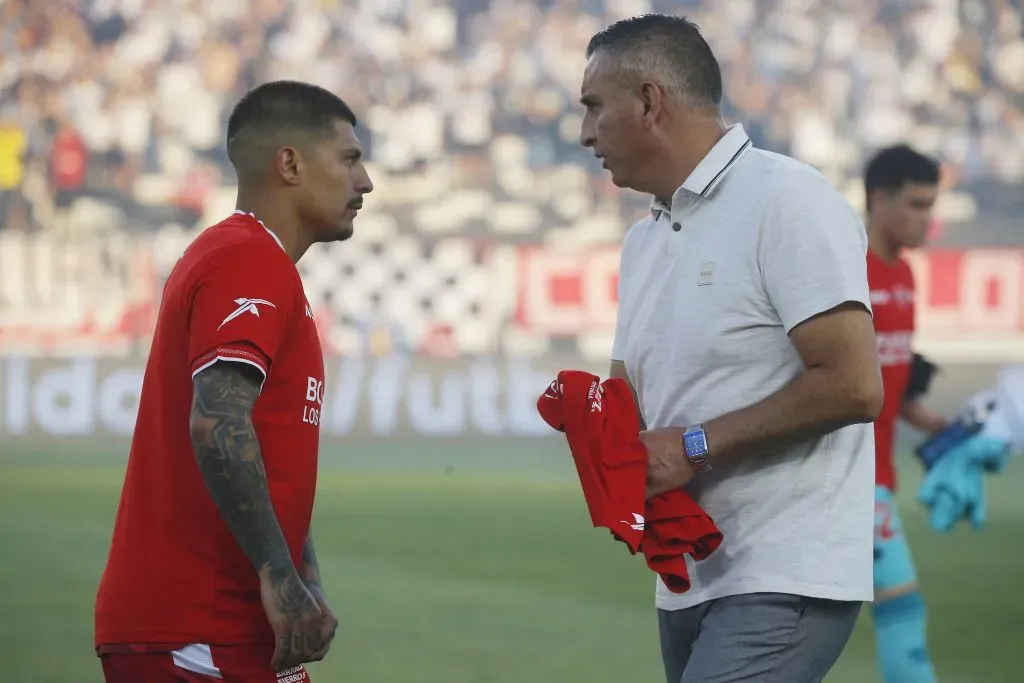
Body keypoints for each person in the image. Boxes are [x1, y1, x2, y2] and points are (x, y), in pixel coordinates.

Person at [579, 14, 883, 683]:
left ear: (651, 101)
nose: (584, 133)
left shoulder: (788, 198)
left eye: (595, 107)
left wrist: (690, 446)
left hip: (785, 566)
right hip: (689, 573)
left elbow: (855, 384)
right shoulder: (645, 239)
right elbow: (629, 399)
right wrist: (598, 430)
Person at [94, 80, 374, 683]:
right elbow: (218, 419)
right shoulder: (245, 258)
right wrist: (279, 575)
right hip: (196, 629)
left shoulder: (252, 259)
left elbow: (262, 451)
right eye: (350, 159)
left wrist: (303, 578)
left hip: (228, 632)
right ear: (290, 164)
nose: (365, 182)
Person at [864, 144, 948, 683]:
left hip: (881, 479)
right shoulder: (844, 267)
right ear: (878, 198)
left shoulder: (907, 277)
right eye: (916, 204)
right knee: (901, 612)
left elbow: (897, 398)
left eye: (930, 205)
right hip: (846, 480)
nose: (927, 218)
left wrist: (953, 430)